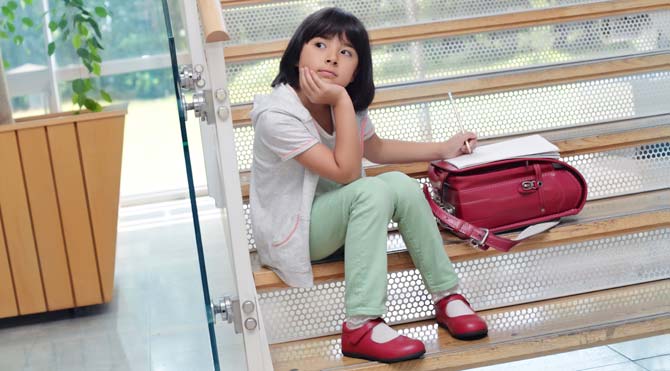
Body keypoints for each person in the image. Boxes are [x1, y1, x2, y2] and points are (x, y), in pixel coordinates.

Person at [249, 7, 487, 363]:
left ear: (357, 68)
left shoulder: (343, 103)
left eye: (346, 52)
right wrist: (341, 101)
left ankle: (447, 296)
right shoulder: (277, 115)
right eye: (319, 44)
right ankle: (360, 326)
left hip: (347, 222)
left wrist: (440, 148)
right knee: (372, 189)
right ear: (297, 52)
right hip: (298, 233)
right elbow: (345, 172)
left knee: (400, 184)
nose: (331, 57)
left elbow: (374, 149)